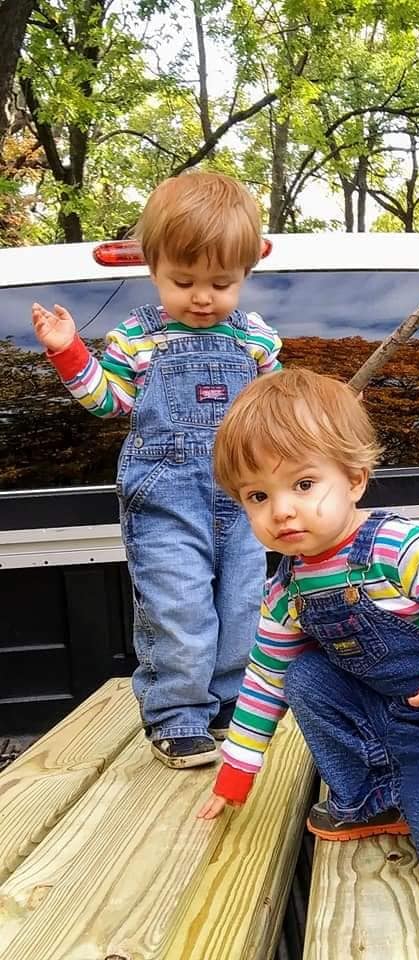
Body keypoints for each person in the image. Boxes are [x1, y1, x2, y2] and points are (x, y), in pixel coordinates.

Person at [197, 367, 419, 960]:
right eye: (258, 496)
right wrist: (238, 769)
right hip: (388, 706)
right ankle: (373, 799)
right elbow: (263, 681)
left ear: (355, 479)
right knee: (301, 672)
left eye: (303, 484)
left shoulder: (404, 546)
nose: (281, 511)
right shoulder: (287, 590)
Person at [31, 172, 281, 769]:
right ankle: (177, 717)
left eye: (222, 283)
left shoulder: (257, 339)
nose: (202, 296)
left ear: (246, 273)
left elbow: (274, 417)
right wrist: (70, 351)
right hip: (167, 497)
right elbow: (107, 401)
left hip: (245, 500)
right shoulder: (139, 335)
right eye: (184, 281)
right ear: (153, 268)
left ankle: (227, 711)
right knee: (179, 606)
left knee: (244, 605)